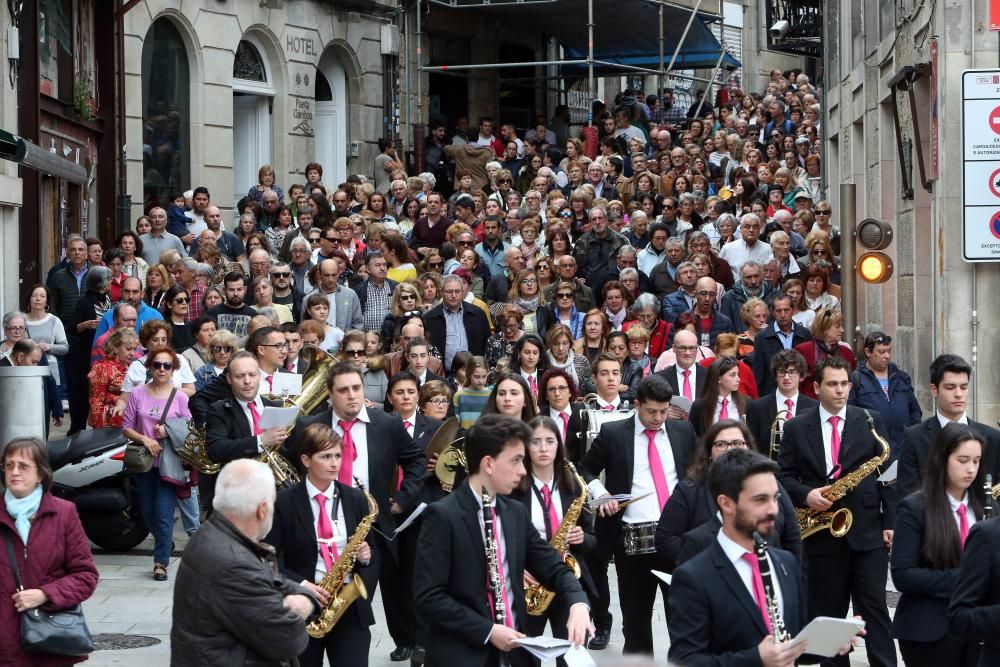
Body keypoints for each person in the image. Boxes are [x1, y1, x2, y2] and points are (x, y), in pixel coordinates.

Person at [413, 414, 592, 667]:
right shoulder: (442, 515)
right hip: (464, 655)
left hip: (516, 653)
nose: (522, 469)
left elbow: (552, 566)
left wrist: (578, 603)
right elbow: (428, 597)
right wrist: (488, 630)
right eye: (516, 460)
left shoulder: (514, 512)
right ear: (488, 464)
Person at [777, 356, 897, 667]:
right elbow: (783, 477)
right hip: (821, 535)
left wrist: (891, 521)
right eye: (832, 384)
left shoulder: (869, 420)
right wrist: (807, 495)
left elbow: (889, 477)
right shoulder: (795, 427)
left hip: (867, 533)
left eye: (845, 384)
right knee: (828, 618)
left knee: (876, 613)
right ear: (816, 387)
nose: (841, 390)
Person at [667, 449, 824, 667]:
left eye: (775, 498)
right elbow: (685, 661)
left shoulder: (784, 562)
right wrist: (756, 659)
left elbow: (791, 645)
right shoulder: (693, 577)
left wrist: (831, 642)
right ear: (726, 503)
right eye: (760, 500)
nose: (773, 510)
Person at [578, 374, 698, 655]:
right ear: (636, 405)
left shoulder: (682, 433)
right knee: (636, 623)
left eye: (664, 411)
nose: (658, 418)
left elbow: (697, 473)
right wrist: (602, 494)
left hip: (676, 539)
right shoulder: (614, 433)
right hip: (631, 541)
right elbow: (584, 470)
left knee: (684, 619)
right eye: (651, 411)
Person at [171, 459, 319, 666]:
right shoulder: (232, 563)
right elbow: (288, 638)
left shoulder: (211, 534)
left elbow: (268, 580)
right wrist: (304, 604)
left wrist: (302, 593)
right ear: (262, 509)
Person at [263, 423, 376, 666]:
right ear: (305, 459)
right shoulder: (284, 502)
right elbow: (270, 560)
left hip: (348, 606)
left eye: (337, 455)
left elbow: (371, 553)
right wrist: (302, 585)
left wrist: (366, 555)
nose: (335, 463)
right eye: (325, 456)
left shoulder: (355, 498)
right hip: (302, 605)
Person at [0, 436, 99, 667]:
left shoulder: (63, 513)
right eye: (8, 465)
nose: (15, 472)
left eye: (23, 466)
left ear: (41, 474)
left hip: (51, 643)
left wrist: (46, 594)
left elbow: (85, 576)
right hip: (5, 646)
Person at [654, 419, 802, 572]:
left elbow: (792, 539)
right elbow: (665, 538)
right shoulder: (690, 489)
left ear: (748, 447)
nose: (730, 450)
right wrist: (704, 561)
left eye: (738, 443)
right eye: (721, 444)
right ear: (709, 452)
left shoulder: (771, 484)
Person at [892, 423, 983, 667]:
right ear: (942, 459)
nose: (971, 469)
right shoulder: (914, 508)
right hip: (929, 630)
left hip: (976, 629)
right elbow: (902, 574)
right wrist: (965, 581)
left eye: (976, 461)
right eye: (963, 460)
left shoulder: (984, 506)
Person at [508, 416, 596, 667]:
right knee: (524, 658)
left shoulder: (574, 486)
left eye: (550, 441)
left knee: (572, 657)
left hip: (567, 578)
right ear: (525, 447)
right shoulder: (513, 488)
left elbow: (593, 541)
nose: (543, 448)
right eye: (536, 442)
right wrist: (519, 568)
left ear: (559, 445)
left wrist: (582, 538)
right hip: (529, 585)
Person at [121, 346, 195, 581]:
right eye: (157, 365)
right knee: (147, 511)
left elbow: (189, 430)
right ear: (149, 367)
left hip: (169, 462)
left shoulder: (180, 397)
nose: (162, 370)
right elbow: (126, 427)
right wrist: (144, 438)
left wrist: (168, 431)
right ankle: (165, 541)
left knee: (163, 513)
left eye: (167, 366)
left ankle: (160, 561)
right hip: (143, 462)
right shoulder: (138, 393)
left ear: (174, 369)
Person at [897, 354, 1000, 497]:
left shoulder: (993, 438)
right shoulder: (914, 437)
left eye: (963, 387)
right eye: (950, 387)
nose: (958, 394)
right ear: (934, 389)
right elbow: (907, 496)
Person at [849, 332, 922, 456]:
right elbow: (850, 417)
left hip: (902, 450)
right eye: (881, 352)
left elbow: (915, 411)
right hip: (872, 453)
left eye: (889, 351)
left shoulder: (901, 377)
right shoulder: (856, 379)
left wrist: (911, 435)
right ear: (868, 352)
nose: (887, 356)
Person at [746, 349, 818, 457]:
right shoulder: (757, 407)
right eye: (782, 372)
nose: (786, 377)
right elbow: (751, 446)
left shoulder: (814, 407)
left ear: (801, 376)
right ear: (775, 375)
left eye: (792, 372)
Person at [422, 274, 490, 373]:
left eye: (457, 291)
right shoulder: (430, 318)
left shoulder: (478, 314)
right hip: (442, 375)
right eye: (449, 292)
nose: (453, 295)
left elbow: (486, 345)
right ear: (441, 292)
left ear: (463, 292)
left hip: (473, 375)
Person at [751, 292, 812, 395]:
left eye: (786, 310)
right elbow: (758, 373)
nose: (783, 315)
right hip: (772, 395)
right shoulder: (762, 338)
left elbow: (808, 369)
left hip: (799, 395)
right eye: (778, 311)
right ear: (773, 313)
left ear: (792, 310)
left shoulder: (805, 334)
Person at [793, 307, 856, 399]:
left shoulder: (847, 352)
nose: (842, 330)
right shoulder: (803, 350)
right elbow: (796, 382)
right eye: (837, 327)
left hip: (841, 404)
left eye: (842, 326)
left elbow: (852, 382)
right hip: (810, 405)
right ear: (824, 329)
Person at [88, 328, 139, 428]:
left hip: (133, 421)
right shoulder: (102, 367)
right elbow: (96, 402)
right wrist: (99, 430)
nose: (132, 353)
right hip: (111, 423)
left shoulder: (133, 366)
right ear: (115, 348)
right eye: (128, 349)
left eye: (134, 349)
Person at [689, 356, 751, 437]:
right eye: (732, 375)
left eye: (737, 374)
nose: (738, 379)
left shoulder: (747, 403)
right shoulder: (699, 406)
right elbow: (693, 437)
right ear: (718, 379)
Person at [453, 355, 492, 429]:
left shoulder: (491, 395)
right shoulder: (459, 396)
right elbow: (456, 423)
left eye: (484, 376)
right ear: (469, 375)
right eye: (477, 377)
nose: (481, 381)